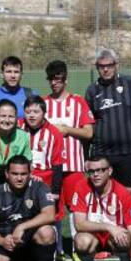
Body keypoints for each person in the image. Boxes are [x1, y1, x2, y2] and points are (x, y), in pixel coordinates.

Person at [68, 155, 131, 261]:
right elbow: (79, 224)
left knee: (126, 236)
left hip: (115, 239)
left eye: (100, 170)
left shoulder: (123, 193)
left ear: (109, 171)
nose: (96, 175)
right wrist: (109, 227)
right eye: (92, 171)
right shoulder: (82, 187)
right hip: (93, 236)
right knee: (81, 241)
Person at [84, 48, 131, 190]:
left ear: (116, 65)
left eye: (109, 65)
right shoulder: (92, 91)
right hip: (103, 153)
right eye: (101, 66)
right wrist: (85, 157)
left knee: (127, 194)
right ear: (97, 68)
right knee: (103, 194)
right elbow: (87, 124)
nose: (105, 69)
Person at [44, 59, 96, 197]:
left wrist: (67, 130)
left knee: (77, 208)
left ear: (66, 79)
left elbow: (89, 132)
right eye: (50, 79)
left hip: (74, 166)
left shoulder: (78, 102)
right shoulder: (42, 104)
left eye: (57, 79)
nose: (53, 83)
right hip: (49, 167)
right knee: (50, 207)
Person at [21, 95, 66, 201]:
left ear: (44, 113)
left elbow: (57, 165)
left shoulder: (54, 134)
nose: (31, 116)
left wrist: (55, 192)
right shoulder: (18, 127)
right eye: (28, 112)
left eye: (36, 112)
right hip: (20, 180)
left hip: (44, 183)